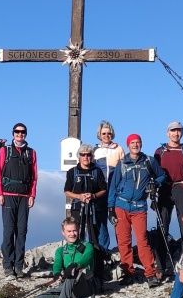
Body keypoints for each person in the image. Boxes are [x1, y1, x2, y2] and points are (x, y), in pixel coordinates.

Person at [0, 218, 93, 298]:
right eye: (69, 231)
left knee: (73, 271)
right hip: (67, 288)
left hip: (84, 286)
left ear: (79, 230)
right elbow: (57, 264)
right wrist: (57, 273)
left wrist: (76, 265)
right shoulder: (61, 251)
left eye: (74, 230)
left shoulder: (87, 246)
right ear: (63, 232)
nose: (72, 234)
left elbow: (87, 258)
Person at [108, 134, 167, 287]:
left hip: (139, 206)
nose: (135, 145)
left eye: (138, 142)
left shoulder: (149, 161)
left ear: (141, 144)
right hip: (121, 205)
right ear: (128, 145)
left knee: (142, 240)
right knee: (124, 241)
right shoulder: (122, 163)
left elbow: (162, 176)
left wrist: (155, 184)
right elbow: (113, 187)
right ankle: (128, 273)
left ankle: (150, 274)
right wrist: (110, 208)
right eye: (132, 142)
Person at [0, 122, 38, 277]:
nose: (20, 134)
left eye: (22, 132)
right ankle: (8, 266)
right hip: (8, 196)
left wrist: (32, 195)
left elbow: (34, 177)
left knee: (22, 232)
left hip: (24, 197)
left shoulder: (31, 153)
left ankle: (18, 267)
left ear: (26, 134)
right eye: (17, 132)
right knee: (9, 231)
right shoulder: (4, 151)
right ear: (13, 133)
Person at [64, 143, 108, 286]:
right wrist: (79, 196)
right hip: (78, 209)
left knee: (95, 241)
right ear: (79, 156)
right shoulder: (72, 172)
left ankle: (97, 274)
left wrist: (93, 196)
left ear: (92, 156)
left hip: (94, 210)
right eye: (83, 154)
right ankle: (74, 272)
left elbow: (104, 189)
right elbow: (67, 191)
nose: (86, 157)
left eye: (88, 155)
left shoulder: (97, 171)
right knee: (77, 238)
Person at [153, 121, 183, 246]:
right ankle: (162, 257)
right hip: (165, 188)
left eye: (178, 130)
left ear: (182, 133)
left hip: (182, 188)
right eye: (173, 130)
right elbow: (154, 173)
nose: (176, 133)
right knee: (162, 224)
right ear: (167, 133)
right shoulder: (159, 152)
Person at [92, 120, 123, 252]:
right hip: (100, 190)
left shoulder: (118, 149)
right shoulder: (95, 150)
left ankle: (121, 249)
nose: (106, 136)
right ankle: (102, 250)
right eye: (103, 133)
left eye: (109, 133)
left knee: (117, 219)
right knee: (100, 219)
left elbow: (124, 170)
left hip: (115, 189)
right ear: (99, 135)